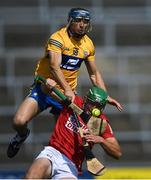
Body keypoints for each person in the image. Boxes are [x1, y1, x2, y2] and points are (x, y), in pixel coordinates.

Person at [7, 7, 123, 158]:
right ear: (70, 21)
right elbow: (54, 67)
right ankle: (22, 135)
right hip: (46, 88)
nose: (82, 25)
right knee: (19, 121)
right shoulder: (57, 38)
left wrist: (105, 95)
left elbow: (94, 73)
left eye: (86, 21)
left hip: (65, 96)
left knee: (63, 140)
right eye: (78, 21)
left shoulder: (88, 44)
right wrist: (67, 90)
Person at [24, 85, 122, 179]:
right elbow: (47, 91)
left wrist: (101, 140)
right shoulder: (74, 100)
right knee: (32, 176)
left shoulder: (101, 123)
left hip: (71, 164)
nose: (93, 109)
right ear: (85, 99)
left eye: (98, 106)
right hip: (53, 152)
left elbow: (117, 153)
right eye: (92, 104)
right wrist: (47, 85)